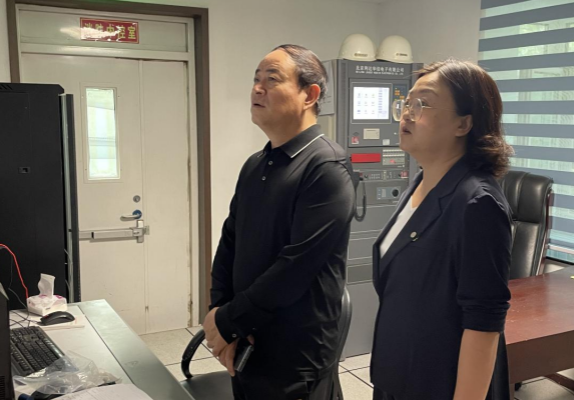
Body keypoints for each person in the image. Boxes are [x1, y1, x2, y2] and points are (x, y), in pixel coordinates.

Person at [202, 44, 355, 400]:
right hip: (247, 340)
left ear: (309, 95)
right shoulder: (256, 163)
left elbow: (296, 267)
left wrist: (229, 320)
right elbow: (231, 240)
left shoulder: (326, 167)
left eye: (272, 79)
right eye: (256, 79)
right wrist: (221, 312)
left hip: (295, 357)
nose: (257, 88)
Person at [370, 59, 514, 400]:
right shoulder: (421, 183)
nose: (407, 114)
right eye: (406, 103)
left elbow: (483, 322)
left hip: (440, 383)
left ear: (464, 123)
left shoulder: (478, 204)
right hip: (399, 373)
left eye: (422, 104)